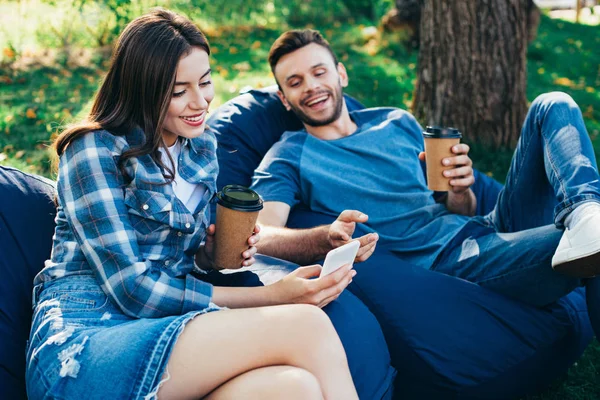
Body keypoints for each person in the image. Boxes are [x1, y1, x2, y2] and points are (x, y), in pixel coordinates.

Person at [26, 11, 361, 400]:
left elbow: (186, 260)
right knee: (307, 326)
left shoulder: (200, 148)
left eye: (204, 82)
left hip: (168, 333)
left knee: (294, 388)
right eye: (178, 90)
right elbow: (134, 289)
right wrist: (271, 296)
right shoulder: (93, 150)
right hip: (85, 342)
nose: (200, 102)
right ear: (143, 89)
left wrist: (213, 252)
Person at [251, 28, 600, 312]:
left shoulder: (396, 120)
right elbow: (261, 234)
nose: (311, 86)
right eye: (295, 82)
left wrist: (460, 190)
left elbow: (459, 207)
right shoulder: (288, 154)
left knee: (551, 104)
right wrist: (322, 238)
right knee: (585, 245)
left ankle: (584, 211)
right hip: (449, 259)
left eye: (319, 72)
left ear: (340, 74)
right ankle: (586, 228)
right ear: (284, 98)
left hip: (485, 226)